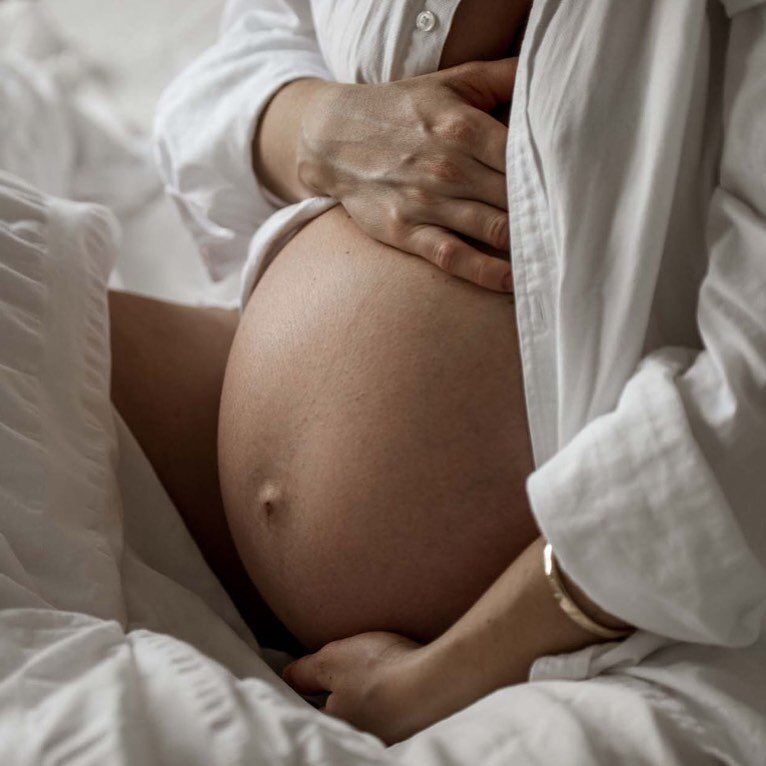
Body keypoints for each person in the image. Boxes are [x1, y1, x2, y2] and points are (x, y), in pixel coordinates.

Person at [148, 0, 766, 757]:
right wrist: (317, 127)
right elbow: (240, 58)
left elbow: (751, 413)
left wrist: (431, 682)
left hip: (561, 624)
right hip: (226, 419)